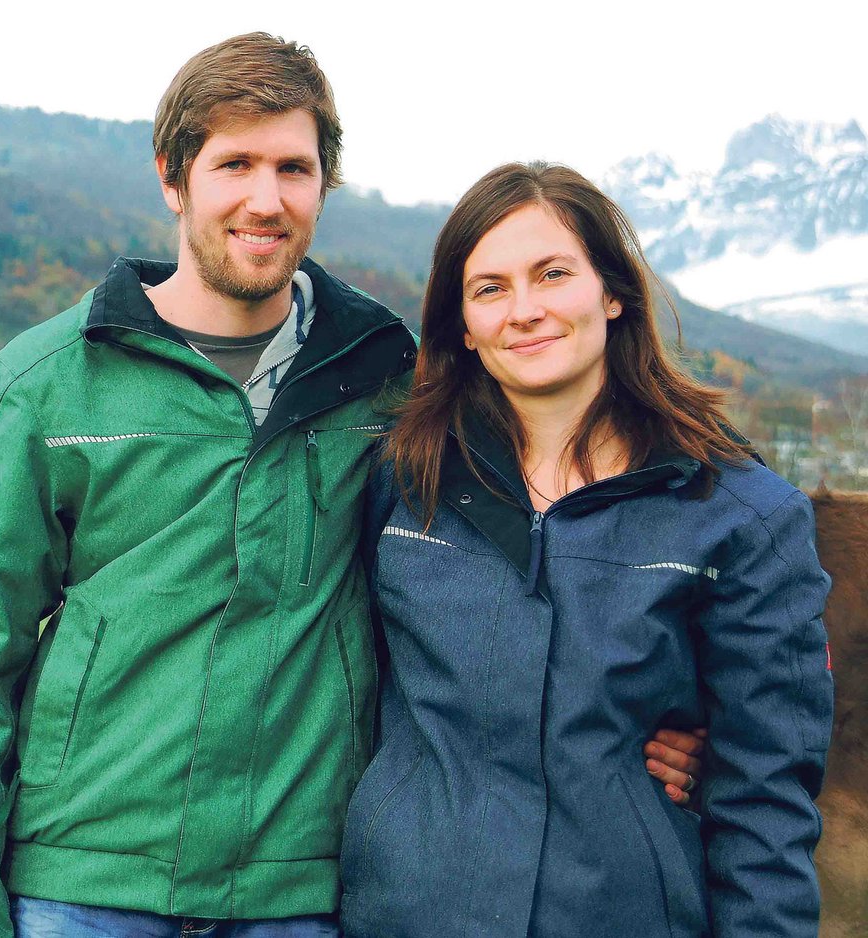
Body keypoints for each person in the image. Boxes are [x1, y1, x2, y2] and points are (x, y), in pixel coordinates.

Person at [0, 35, 703, 937]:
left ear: (325, 185)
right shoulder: (47, 385)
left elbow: (548, 525)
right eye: (234, 164)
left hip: (301, 894)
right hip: (83, 886)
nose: (266, 198)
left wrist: (648, 722)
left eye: (294, 167)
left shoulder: (391, 376)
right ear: (174, 178)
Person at [344, 162, 834, 937]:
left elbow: (766, 802)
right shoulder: (403, 482)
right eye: (491, 288)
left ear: (613, 292)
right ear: (462, 327)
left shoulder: (738, 514)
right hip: (406, 913)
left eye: (553, 274)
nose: (526, 310)